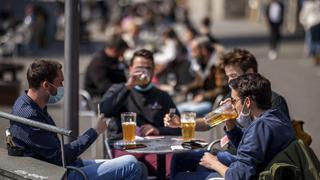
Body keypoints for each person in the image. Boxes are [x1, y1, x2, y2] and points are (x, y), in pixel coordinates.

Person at [10, 59, 147, 180]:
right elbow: (60, 157)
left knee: (140, 166)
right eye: (60, 82)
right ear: (46, 85)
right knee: (132, 165)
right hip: (59, 173)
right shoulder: (29, 115)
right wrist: (94, 131)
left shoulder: (29, 104)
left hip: (63, 166)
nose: (62, 87)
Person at [168, 73, 296, 179]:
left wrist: (214, 163)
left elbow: (238, 176)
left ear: (247, 102)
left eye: (234, 101)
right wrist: (230, 123)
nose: (231, 105)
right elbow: (247, 147)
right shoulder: (275, 116)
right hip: (257, 169)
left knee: (182, 176)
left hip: (250, 175)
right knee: (184, 158)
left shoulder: (260, 127)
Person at [100, 49, 180, 176]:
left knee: (172, 167)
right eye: (138, 68)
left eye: (147, 68)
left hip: (155, 147)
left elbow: (178, 128)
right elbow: (105, 111)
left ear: (153, 71)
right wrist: (128, 86)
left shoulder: (162, 96)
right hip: (124, 146)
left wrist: (157, 130)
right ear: (131, 69)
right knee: (132, 167)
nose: (143, 72)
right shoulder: (120, 90)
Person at [299, 0, 320, 65]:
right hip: (312, 24)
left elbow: (303, 15)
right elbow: (303, 15)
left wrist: (304, 23)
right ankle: (314, 54)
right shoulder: (308, 4)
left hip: (313, 24)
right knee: (313, 40)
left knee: (313, 41)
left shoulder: (312, 4)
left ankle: (315, 54)